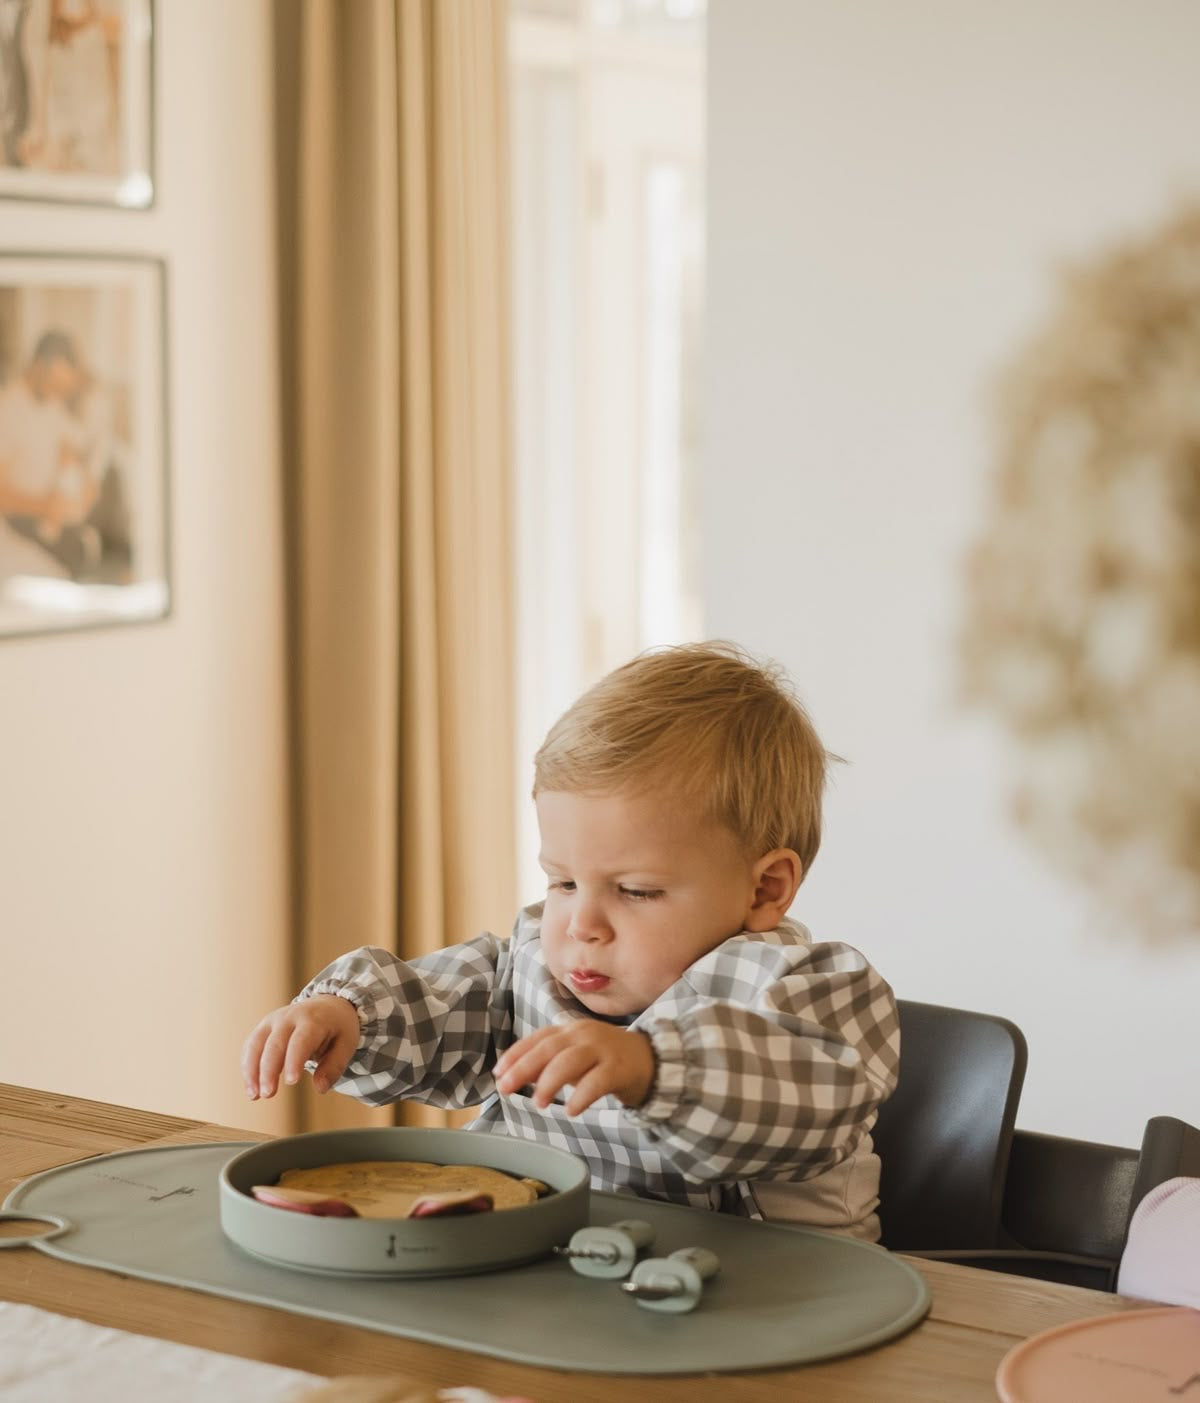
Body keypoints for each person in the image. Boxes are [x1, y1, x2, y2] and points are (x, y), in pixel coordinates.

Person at [242, 643, 899, 1239]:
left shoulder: (810, 989)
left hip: (782, 1304)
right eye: (561, 881)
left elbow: (814, 1099)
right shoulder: (534, 965)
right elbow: (436, 1004)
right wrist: (347, 1013)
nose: (582, 923)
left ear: (765, 889)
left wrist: (652, 1066)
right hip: (567, 1281)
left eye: (636, 890)